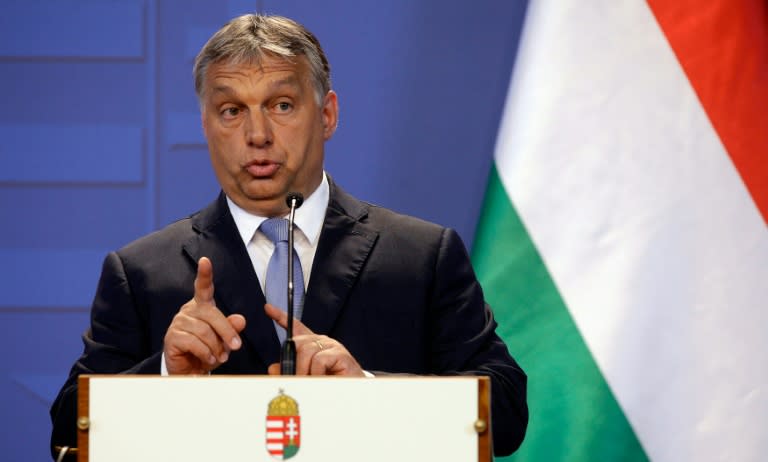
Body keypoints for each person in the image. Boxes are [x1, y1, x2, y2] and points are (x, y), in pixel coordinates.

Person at [49, 13, 528, 458]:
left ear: (327, 115)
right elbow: (69, 433)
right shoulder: (142, 273)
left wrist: (367, 388)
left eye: (281, 105)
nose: (257, 134)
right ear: (206, 127)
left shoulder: (421, 256)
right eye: (231, 110)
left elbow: (504, 413)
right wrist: (166, 373)